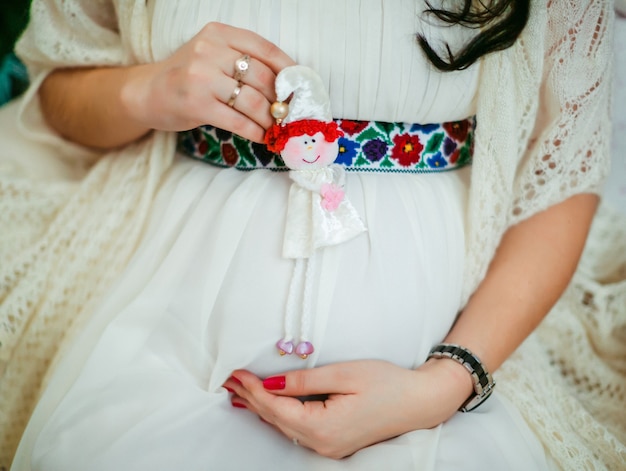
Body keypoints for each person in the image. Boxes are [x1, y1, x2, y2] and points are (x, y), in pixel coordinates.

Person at [0, 0, 623, 469]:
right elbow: (62, 88)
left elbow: (563, 170)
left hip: (434, 396)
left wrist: (444, 387)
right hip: (163, 340)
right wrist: (147, 90)